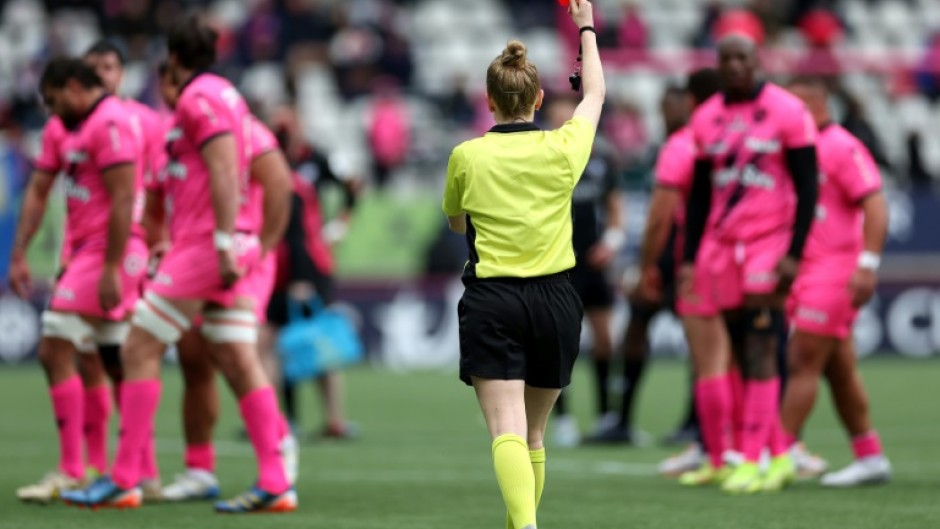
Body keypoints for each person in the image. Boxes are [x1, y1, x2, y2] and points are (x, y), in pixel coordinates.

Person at [61, 15, 295, 513]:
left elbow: (227, 167)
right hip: (213, 244)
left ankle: (125, 478)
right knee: (235, 355)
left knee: (139, 344)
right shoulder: (224, 98)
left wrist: (225, 240)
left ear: (172, 59)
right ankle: (276, 479)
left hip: (207, 248)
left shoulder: (199, 97)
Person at [441, 1, 603, 527]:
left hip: (494, 300)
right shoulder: (562, 148)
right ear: (538, 98)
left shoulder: (466, 156)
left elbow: (457, 224)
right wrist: (585, 28)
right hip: (556, 300)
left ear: (488, 101)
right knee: (534, 434)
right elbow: (595, 94)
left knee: (505, 430)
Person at [145, 63, 296, 502]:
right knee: (196, 359)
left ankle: (279, 456)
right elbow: (162, 197)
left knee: (232, 355)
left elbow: (279, 185)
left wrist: (261, 249)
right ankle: (200, 469)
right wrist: (162, 240)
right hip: (196, 256)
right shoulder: (176, 134)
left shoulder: (246, 132)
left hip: (235, 256)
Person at [679, 32, 819, 494]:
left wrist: (795, 252)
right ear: (718, 64)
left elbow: (807, 189)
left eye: (742, 57)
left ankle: (755, 458)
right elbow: (699, 196)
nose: (735, 65)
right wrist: (688, 258)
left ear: (756, 60)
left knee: (762, 344)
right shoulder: (706, 117)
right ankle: (773, 453)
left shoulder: (786, 110)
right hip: (722, 250)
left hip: (768, 246)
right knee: (739, 348)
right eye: (727, 59)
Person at [9, 58, 148, 503]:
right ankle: (129, 473)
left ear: (72, 88)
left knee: (54, 346)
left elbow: (126, 197)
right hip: (87, 253)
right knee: (109, 356)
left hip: (111, 253)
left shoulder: (109, 122)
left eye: (52, 101)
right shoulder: (68, 129)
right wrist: (19, 253)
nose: (51, 112)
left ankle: (75, 468)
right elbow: (38, 189)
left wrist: (111, 266)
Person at [781, 77, 891, 487]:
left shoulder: (841, 145)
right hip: (807, 270)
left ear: (811, 104)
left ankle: (779, 452)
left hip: (836, 271)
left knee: (803, 359)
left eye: (790, 105)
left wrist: (868, 263)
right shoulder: (800, 149)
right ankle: (870, 456)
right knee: (838, 370)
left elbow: (876, 204)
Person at [83, 38, 165, 500]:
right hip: (87, 249)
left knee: (123, 354)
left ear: (123, 72)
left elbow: (157, 187)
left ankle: (138, 469)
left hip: (128, 249)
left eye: (109, 67)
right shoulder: (73, 123)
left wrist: (157, 245)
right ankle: (102, 466)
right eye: (93, 67)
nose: (101, 75)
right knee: (90, 355)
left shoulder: (145, 122)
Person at [627, 71, 721, 474]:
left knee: (706, 349)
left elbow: (660, 217)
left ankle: (706, 438)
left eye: (673, 107)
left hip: (687, 255)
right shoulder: (722, 142)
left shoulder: (684, 145)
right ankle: (726, 439)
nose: (666, 115)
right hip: (718, 253)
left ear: (691, 104)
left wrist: (646, 266)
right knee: (728, 349)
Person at [265, 105, 361, 440]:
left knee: (301, 343)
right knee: (282, 343)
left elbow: (351, 186)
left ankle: (315, 420)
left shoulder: (312, 162)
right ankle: (282, 419)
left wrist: (339, 225)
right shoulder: (278, 169)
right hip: (284, 263)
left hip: (301, 263)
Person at [543, 96, 624, 447]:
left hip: (594, 261)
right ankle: (561, 420)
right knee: (560, 343)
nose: (563, 118)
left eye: (568, 112)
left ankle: (608, 415)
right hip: (559, 262)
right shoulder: (541, 153)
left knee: (605, 340)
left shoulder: (601, 154)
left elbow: (614, 204)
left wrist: (613, 241)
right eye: (556, 113)